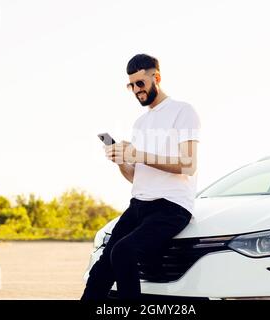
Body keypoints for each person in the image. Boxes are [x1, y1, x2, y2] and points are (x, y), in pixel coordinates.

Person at [81, 53, 201, 300]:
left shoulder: (183, 111)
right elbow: (136, 176)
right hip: (138, 206)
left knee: (123, 251)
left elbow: (188, 164)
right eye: (131, 85)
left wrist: (138, 154)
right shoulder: (139, 123)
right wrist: (121, 161)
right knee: (102, 267)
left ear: (156, 77)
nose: (136, 90)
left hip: (171, 207)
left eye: (140, 83)